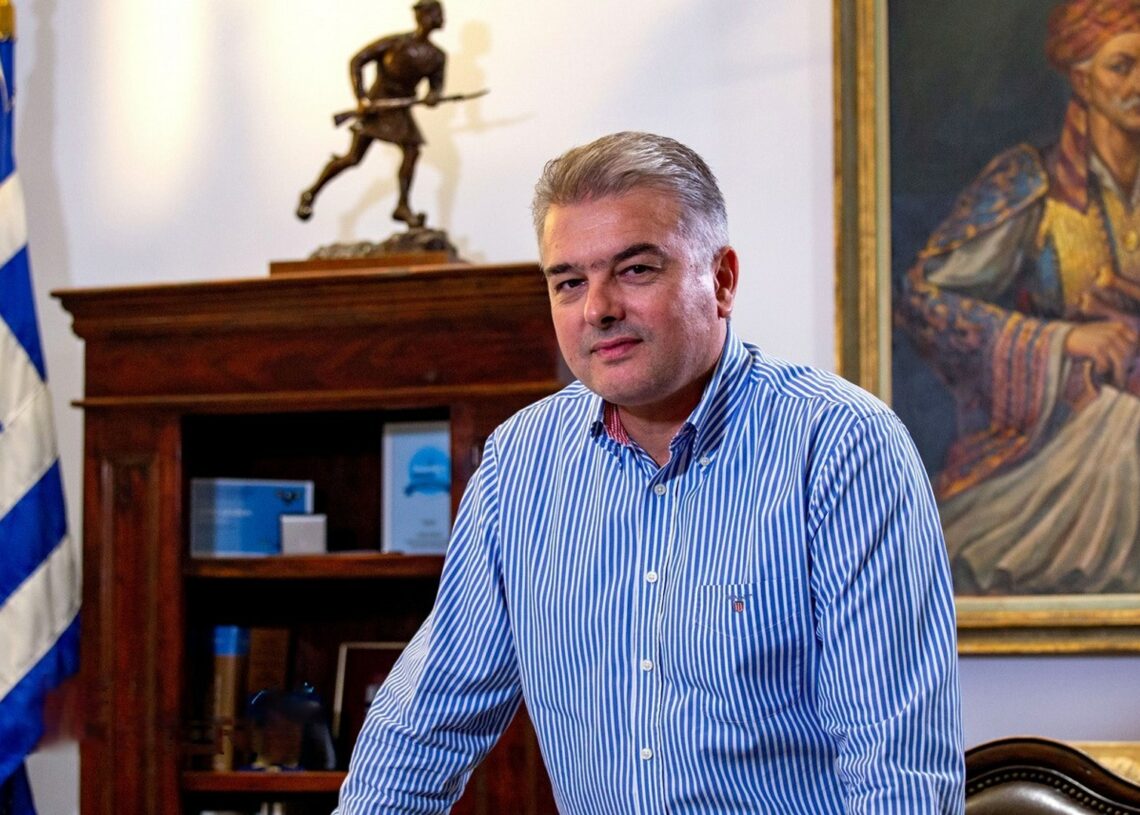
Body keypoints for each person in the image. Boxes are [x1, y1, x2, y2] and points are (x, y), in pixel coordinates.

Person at [334, 132, 964, 813]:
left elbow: (897, 770)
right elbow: (424, 724)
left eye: (635, 270)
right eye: (569, 282)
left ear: (722, 280)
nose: (597, 309)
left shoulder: (840, 447)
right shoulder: (519, 464)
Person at [896, 0, 1140, 594]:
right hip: (1065, 436)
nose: (1139, 84)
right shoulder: (1031, 181)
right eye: (1122, 66)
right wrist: (1063, 340)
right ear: (1081, 78)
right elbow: (926, 298)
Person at [296, 0, 446, 227]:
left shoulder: (437, 56)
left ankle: (402, 206)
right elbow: (357, 61)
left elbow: (436, 87)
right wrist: (362, 98)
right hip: (377, 108)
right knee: (352, 158)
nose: (441, 18)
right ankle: (311, 192)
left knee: (412, 151)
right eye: (436, 13)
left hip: (400, 110)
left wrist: (433, 96)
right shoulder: (396, 43)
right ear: (422, 16)